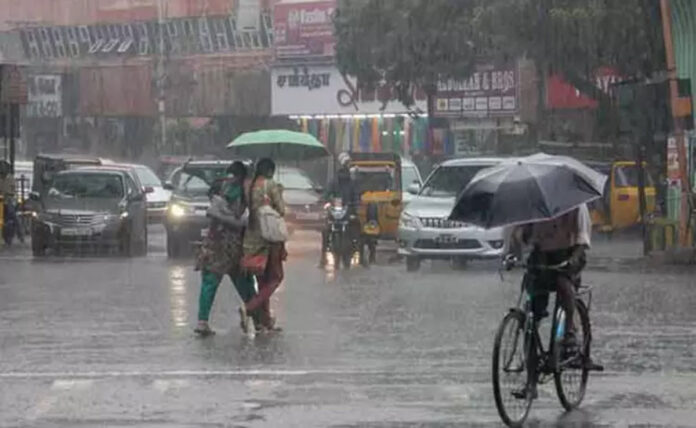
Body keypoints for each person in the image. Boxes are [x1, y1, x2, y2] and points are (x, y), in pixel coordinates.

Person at [505, 203, 592, 398]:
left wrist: (571, 261)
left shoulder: (577, 206)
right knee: (530, 319)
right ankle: (531, 383)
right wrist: (513, 252)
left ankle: (569, 331)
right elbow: (520, 235)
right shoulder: (532, 205)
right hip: (541, 257)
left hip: (570, 254)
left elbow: (582, 241)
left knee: (563, 284)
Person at [194, 161, 256, 337]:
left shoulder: (219, 187)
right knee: (243, 281)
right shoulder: (239, 190)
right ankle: (257, 315)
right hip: (233, 244)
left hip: (214, 241)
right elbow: (242, 215)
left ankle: (202, 321)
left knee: (209, 282)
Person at [241, 158, 286, 333]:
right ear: (270, 171)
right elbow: (281, 211)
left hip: (251, 238)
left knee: (262, 281)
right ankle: (249, 308)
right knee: (276, 278)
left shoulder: (249, 186)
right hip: (269, 238)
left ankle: (265, 321)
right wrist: (279, 192)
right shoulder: (271, 185)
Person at [319, 152, 360, 267]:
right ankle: (323, 258)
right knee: (326, 231)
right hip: (335, 210)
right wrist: (326, 201)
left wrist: (355, 207)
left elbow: (356, 196)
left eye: (348, 164)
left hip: (348, 211)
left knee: (356, 229)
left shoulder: (352, 182)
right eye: (346, 164)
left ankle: (360, 254)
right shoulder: (334, 181)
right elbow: (327, 193)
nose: (347, 166)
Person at [0, 160, 23, 243]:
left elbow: (13, 191)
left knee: (13, 215)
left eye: (3, 168)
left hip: (8, 201)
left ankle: (20, 235)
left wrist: (8, 194)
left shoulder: (11, 178)